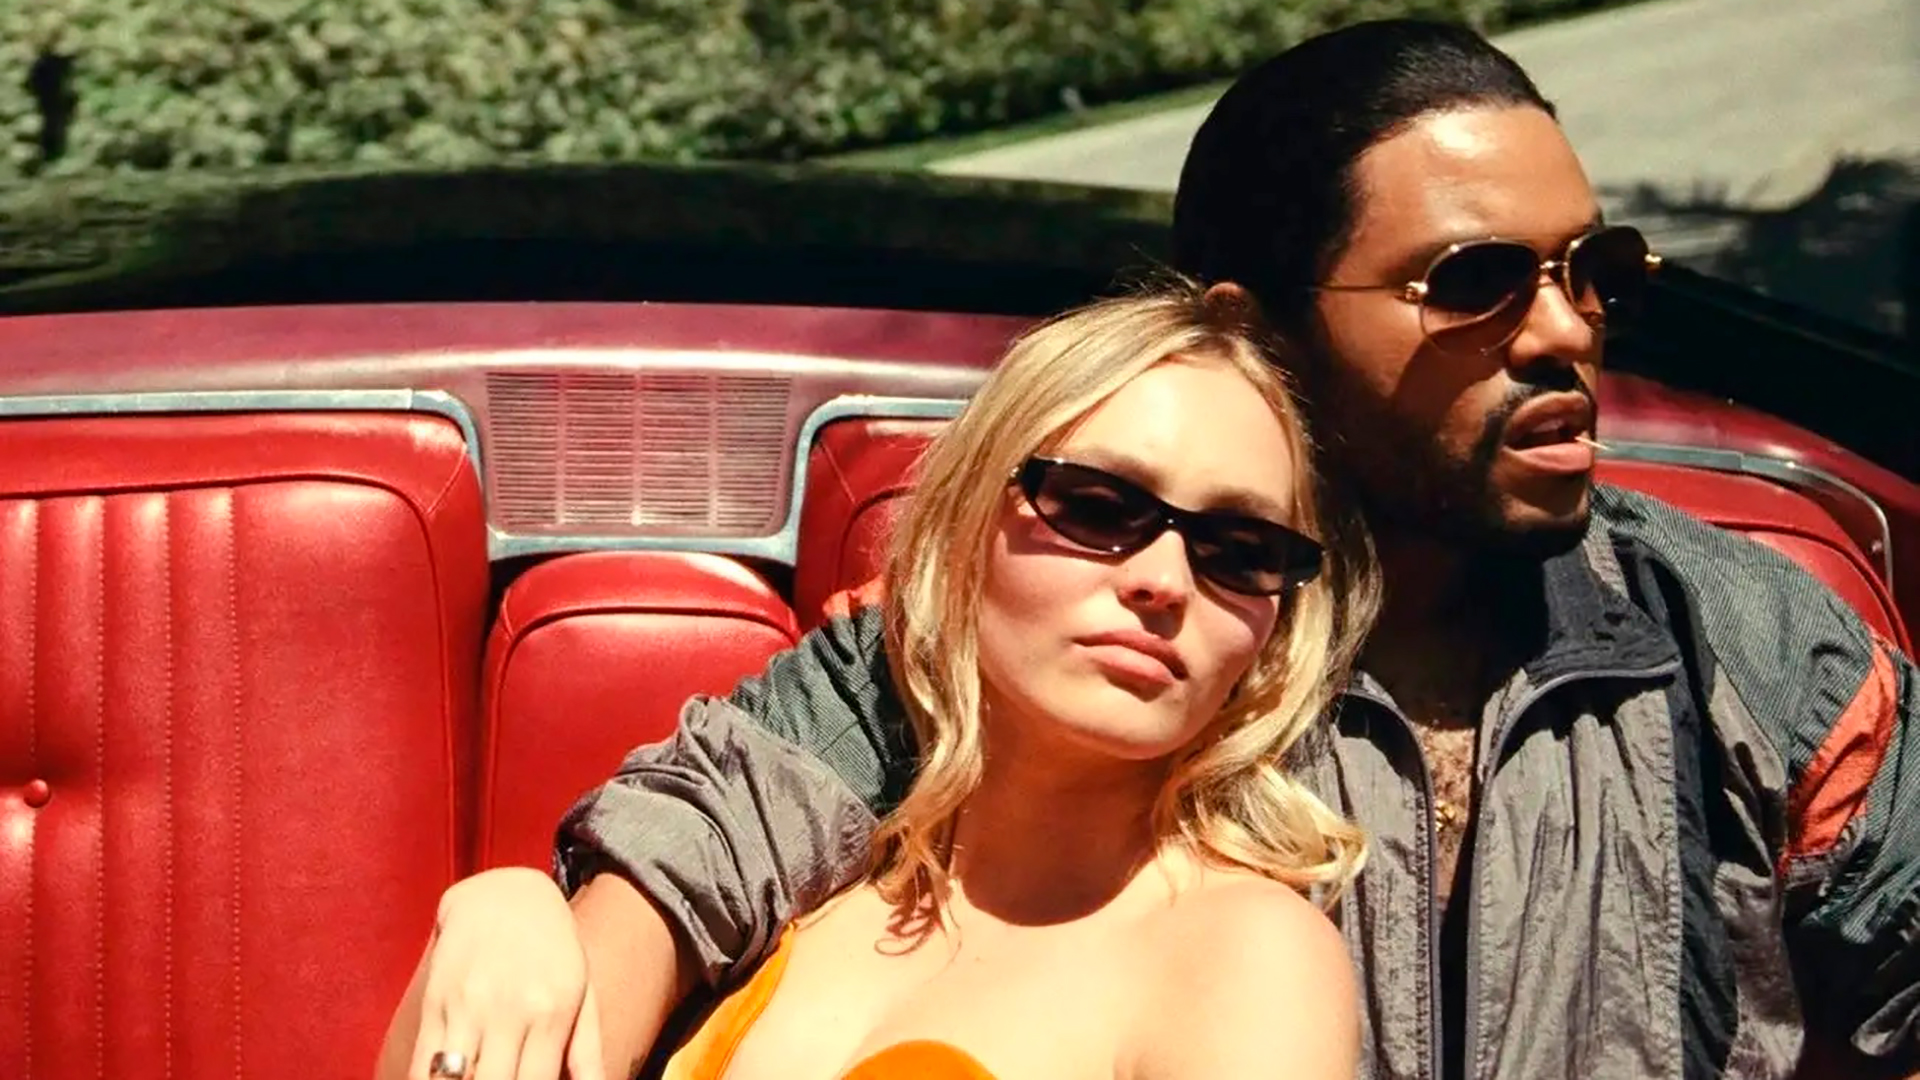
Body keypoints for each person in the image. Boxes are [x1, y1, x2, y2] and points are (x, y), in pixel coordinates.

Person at [388, 17, 1920, 1080]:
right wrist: (515, 916)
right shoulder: (1067, 648)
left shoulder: (1758, 652)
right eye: (1476, 281)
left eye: (1596, 271)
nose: (1567, 328)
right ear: (1258, 330)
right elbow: (694, 854)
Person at [378, 286, 1381, 1080]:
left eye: (1240, 550)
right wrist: (506, 910)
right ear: (962, 525)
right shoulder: (802, 881)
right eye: (1096, 505)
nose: (1163, 580)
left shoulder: (1245, 955)